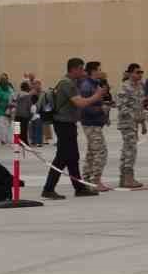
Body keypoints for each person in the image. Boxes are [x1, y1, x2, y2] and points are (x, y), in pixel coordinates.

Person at [41, 58, 106, 200]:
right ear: (74, 69)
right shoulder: (67, 84)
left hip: (68, 124)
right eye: (81, 69)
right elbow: (80, 103)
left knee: (72, 157)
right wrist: (97, 96)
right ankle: (48, 188)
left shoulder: (71, 83)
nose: (83, 72)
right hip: (63, 124)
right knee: (61, 158)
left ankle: (79, 188)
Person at [79, 63, 111, 191]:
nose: (101, 71)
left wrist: (104, 116)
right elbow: (84, 107)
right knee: (101, 152)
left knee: (92, 152)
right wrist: (101, 109)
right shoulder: (87, 86)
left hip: (95, 123)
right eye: (99, 69)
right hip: (90, 123)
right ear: (93, 71)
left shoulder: (94, 84)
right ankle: (95, 181)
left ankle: (87, 180)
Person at [115, 64, 147, 190]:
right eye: (137, 72)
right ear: (129, 73)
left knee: (128, 149)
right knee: (130, 149)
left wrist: (143, 123)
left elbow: (140, 106)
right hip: (127, 123)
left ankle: (124, 178)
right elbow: (121, 107)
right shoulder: (125, 87)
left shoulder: (139, 87)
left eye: (141, 72)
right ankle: (128, 178)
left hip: (135, 124)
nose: (140, 74)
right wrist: (134, 117)